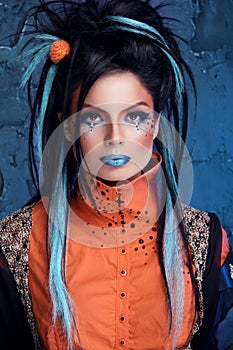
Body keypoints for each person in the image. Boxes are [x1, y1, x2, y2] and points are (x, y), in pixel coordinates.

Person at [0, 0, 232, 349]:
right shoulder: (17, 244)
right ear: (68, 128)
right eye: (92, 119)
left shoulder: (204, 242)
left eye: (135, 117)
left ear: (154, 125)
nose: (115, 138)